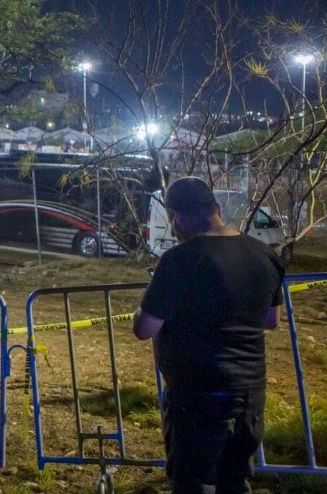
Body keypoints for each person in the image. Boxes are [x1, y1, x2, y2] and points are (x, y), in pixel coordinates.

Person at [133, 177, 285, 493]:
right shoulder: (264, 254)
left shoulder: (180, 259)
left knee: (194, 482)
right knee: (234, 480)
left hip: (197, 396)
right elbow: (271, 320)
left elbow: (144, 328)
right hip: (249, 394)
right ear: (215, 208)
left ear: (176, 216)